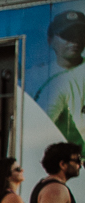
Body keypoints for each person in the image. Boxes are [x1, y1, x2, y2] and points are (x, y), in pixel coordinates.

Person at [33, 11, 85, 145]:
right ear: (50, 40)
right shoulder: (34, 76)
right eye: (67, 35)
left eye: (80, 34)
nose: (75, 41)